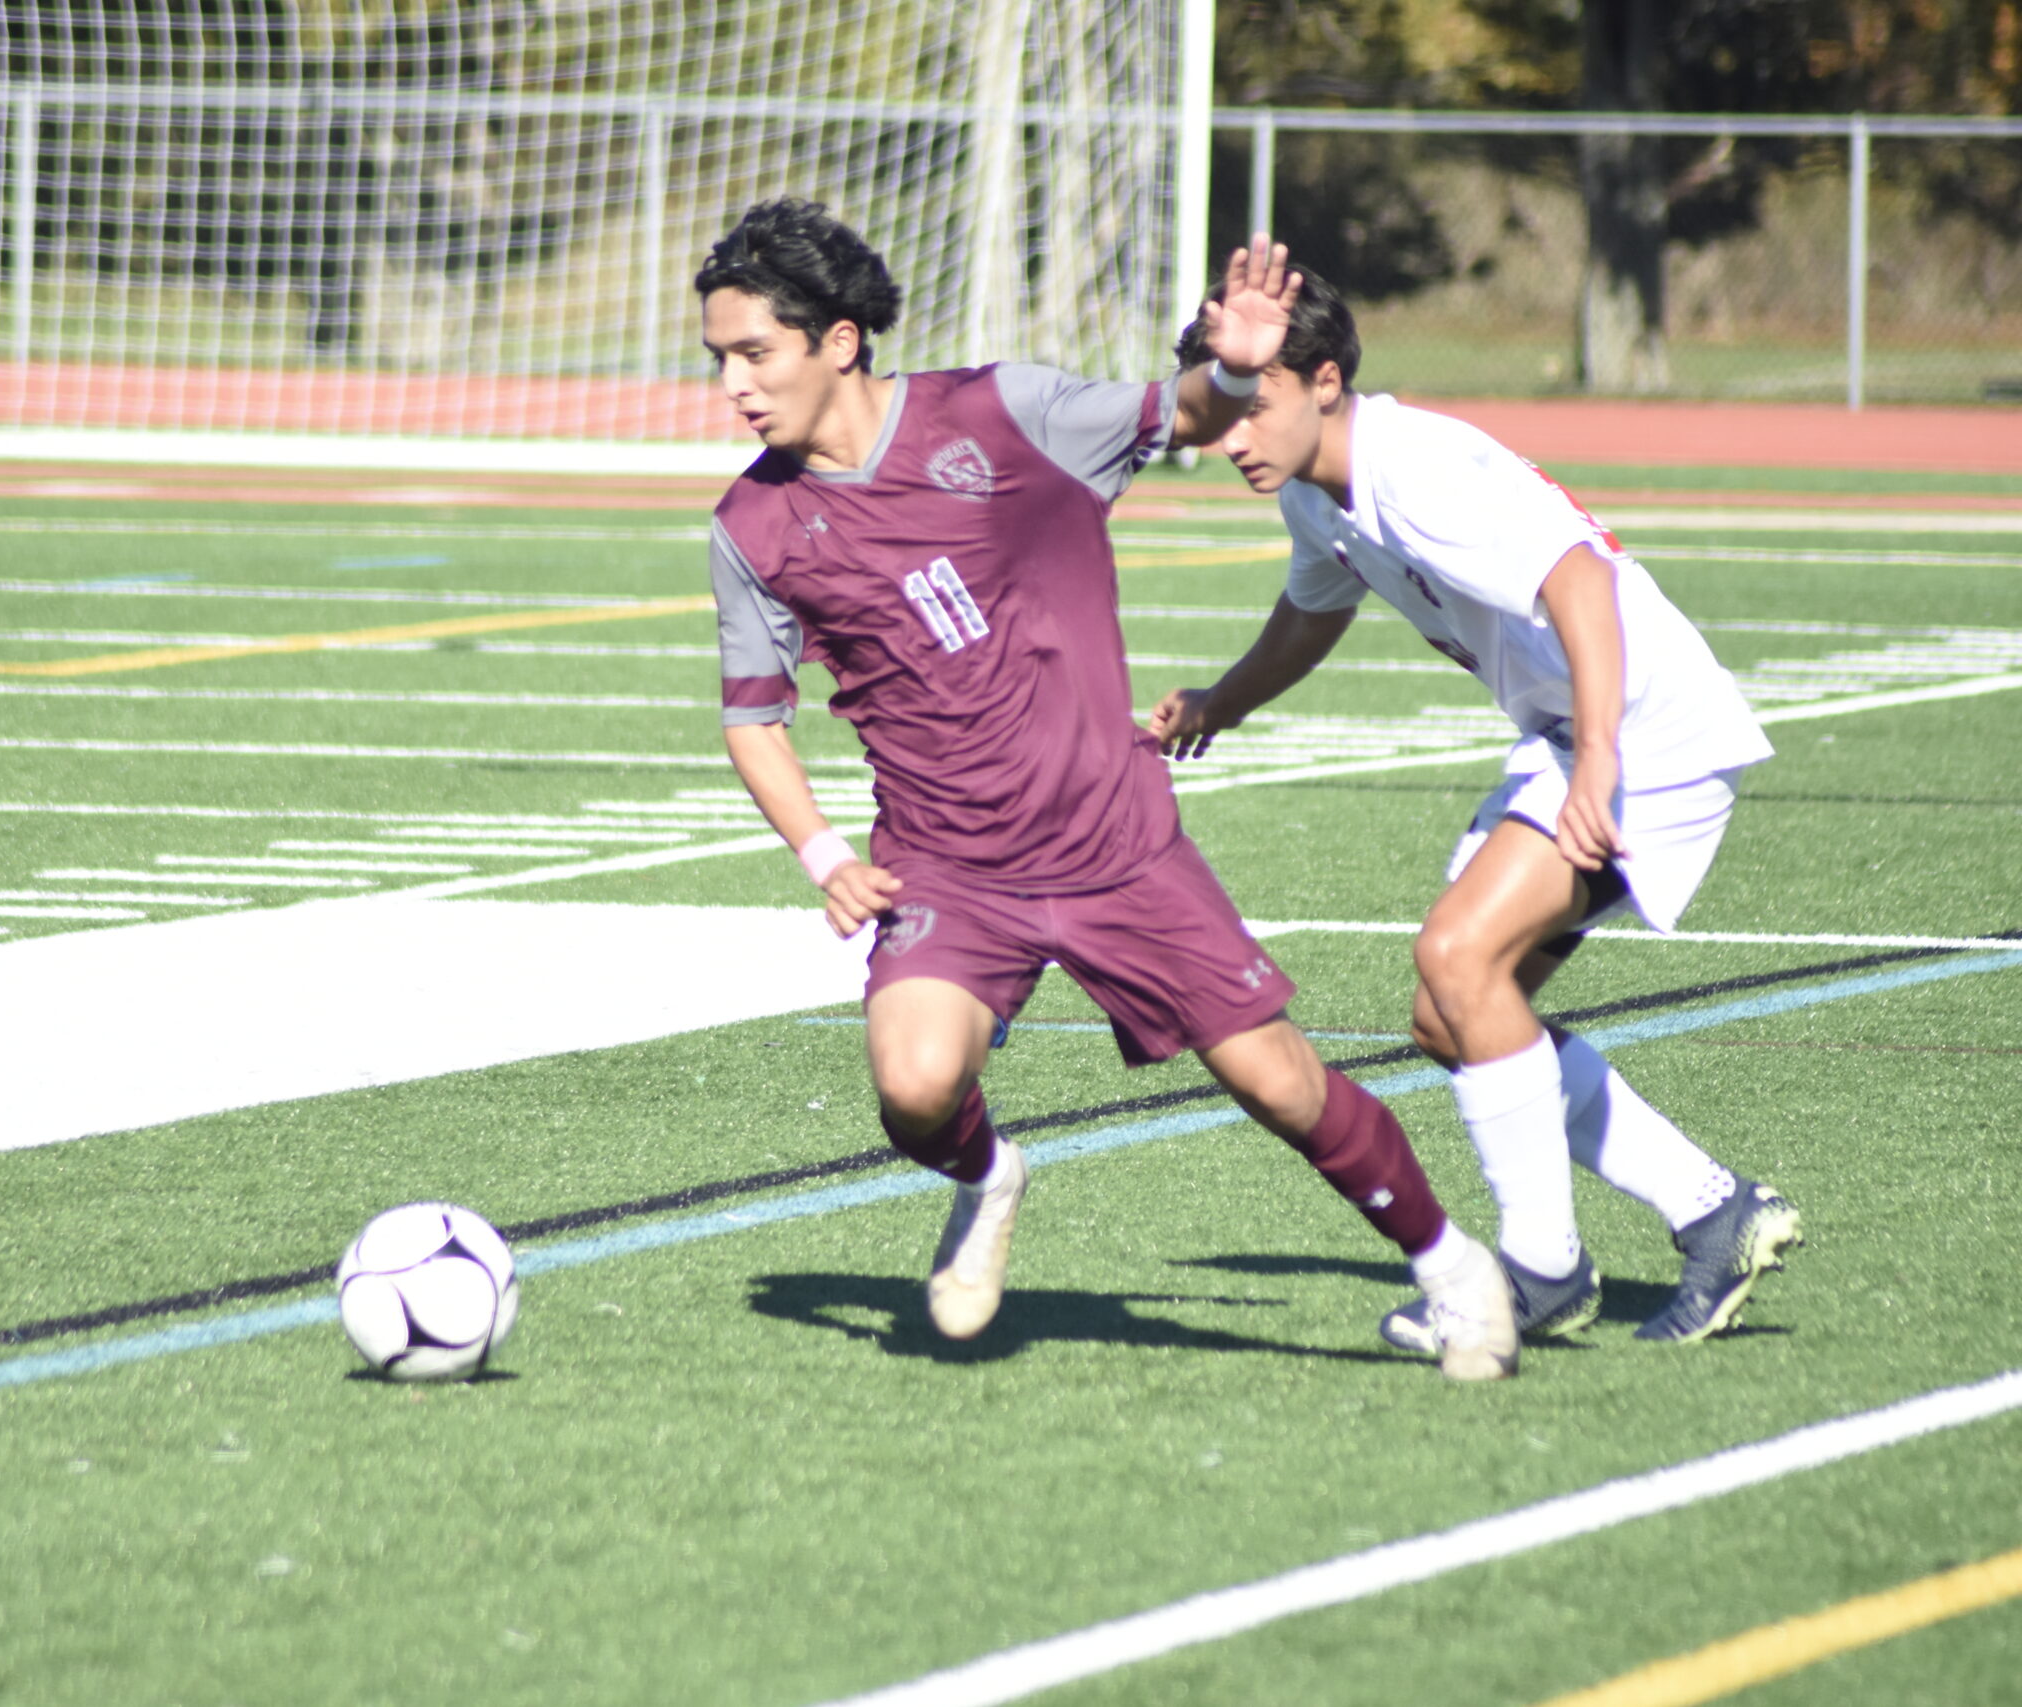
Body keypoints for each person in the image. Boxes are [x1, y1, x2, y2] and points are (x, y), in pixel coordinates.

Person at [698, 197, 1520, 1381]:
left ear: (838, 341)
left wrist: (1235, 371)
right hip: (946, 867)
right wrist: (826, 856)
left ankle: (1452, 1267)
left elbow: (1185, 416)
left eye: (754, 353)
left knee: (1278, 1084)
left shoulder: (1005, 414)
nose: (734, 383)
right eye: (720, 359)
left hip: (1111, 843)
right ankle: (989, 1179)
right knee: (914, 1088)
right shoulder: (752, 526)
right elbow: (753, 722)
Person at [1150, 265, 1802, 1354]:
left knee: (1457, 956)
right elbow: (1313, 611)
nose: (1228, 435)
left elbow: (1579, 578)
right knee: (1448, 1014)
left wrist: (1596, 764)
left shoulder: (1418, 468)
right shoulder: (1320, 490)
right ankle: (1711, 1209)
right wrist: (1222, 699)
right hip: (1579, 734)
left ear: (1321, 381)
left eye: (1249, 405)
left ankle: (1543, 1270)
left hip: (1645, 732)